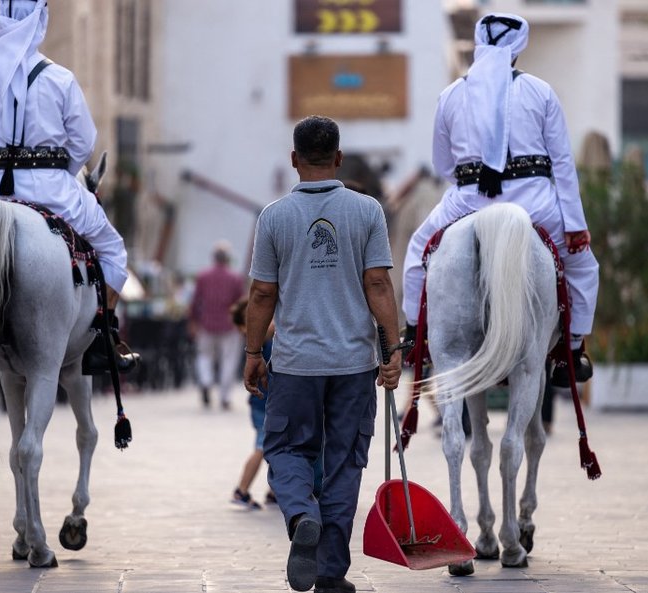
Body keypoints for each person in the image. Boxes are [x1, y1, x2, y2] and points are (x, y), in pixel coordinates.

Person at [244, 116, 402, 593]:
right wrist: (392, 347)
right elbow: (377, 283)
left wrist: (253, 351)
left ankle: (300, 515)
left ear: (294, 160)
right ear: (338, 158)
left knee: (287, 449)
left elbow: (260, 294)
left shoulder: (273, 216)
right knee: (344, 463)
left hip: (295, 363)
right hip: (353, 365)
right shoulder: (368, 211)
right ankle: (331, 574)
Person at [401, 12, 600, 387]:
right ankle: (571, 352)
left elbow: (442, 163)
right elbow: (563, 164)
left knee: (417, 253)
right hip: (536, 204)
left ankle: (415, 337)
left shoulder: (452, 94)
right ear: (518, 51)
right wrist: (575, 226)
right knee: (584, 267)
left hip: (466, 202)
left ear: (479, 43)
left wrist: (472, 183)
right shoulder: (541, 91)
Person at [0, 0, 137, 374]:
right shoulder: (60, 79)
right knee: (114, 251)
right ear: (42, 20)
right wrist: (60, 174)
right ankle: (102, 337)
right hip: (51, 189)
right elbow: (83, 143)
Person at [229, 298, 274, 510]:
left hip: (265, 405)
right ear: (242, 328)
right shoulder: (256, 343)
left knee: (276, 447)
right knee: (262, 448)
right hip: (262, 406)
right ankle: (242, 490)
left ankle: (274, 491)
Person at [189, 241, 245, 409]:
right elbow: (241, 303)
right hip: (229, 325)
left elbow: (195, 301)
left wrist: (193, 320)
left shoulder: (203, 276)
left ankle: (206, 381)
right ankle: (225, 396)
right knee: (229, 360)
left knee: (204, 356)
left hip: (206, 323)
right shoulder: (235, 278)